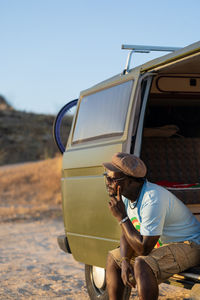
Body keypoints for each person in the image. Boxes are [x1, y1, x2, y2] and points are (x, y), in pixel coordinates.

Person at [102, 152, 200, 300]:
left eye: (113, 179)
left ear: (130, 181)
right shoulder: (126, 195)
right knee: (114, 258)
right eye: (106, 176)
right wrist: (124, 261)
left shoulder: (152, 198)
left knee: (143, 263)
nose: (108, 182)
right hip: (163, 244)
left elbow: (144, 249)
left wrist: (122, 218)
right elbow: (126, 233)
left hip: (190, 244)